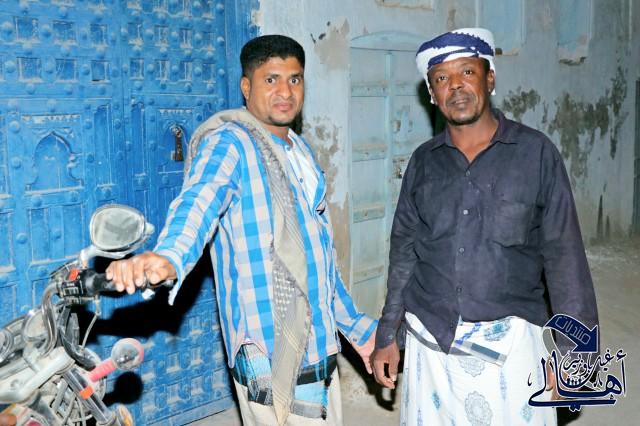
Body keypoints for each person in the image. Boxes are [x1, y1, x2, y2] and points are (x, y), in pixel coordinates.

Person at [106, 35, 376, 426]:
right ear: (246, 87)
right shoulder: (230, 144)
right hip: (269, 347)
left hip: (318, 343)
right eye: (271, 80)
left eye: (295, 79)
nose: (285, 91)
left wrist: (359, 330)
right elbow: (198, 202)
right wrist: (169, 256)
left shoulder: (299, 152)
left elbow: (318, 259)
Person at [370, 28, 598, 425]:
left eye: (467, 72)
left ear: (489, 78)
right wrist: (388, 334)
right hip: (431, 345)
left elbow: (565, 260)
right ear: (431, 93)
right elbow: (404, 252)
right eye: (442, 78)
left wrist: (576, 359)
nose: (455, 86)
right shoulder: (423, 162)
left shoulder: (535, 154)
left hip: (511, 344)